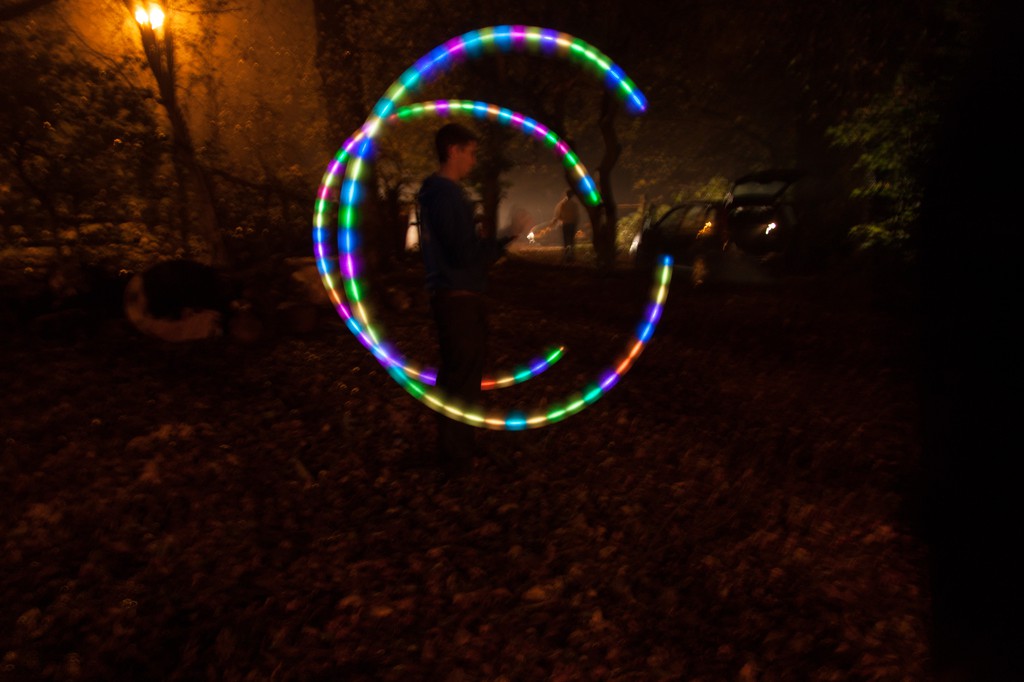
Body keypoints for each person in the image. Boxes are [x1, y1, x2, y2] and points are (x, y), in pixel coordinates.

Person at [416, 123, 519, 477]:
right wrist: (506, 237)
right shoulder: (444, 195)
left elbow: (462, 249)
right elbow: (464, 254)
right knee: (461, 378)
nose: (474, 160)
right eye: (471, 152)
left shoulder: (441, 194)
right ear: (453, 151)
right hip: (457, 298)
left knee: (459, 376)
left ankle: (456, 449)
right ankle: (455, 458)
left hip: (456, 295)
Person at [552, 188, 580, 262]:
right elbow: (576, 215)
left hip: (565, 224)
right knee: (571, 240)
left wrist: (558, 220)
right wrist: (575, 222)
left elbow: (560, 215)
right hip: (572, 224)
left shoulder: (563, 204)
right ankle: (572, 255)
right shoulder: (574, 204)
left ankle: (566, 255)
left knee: (566, 240)